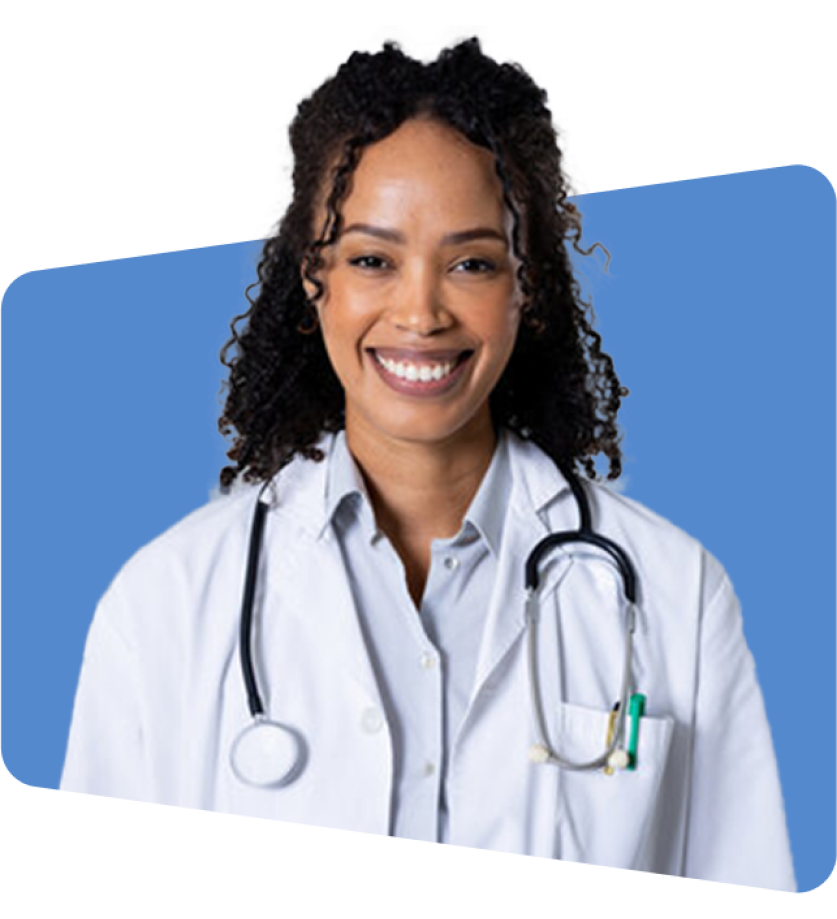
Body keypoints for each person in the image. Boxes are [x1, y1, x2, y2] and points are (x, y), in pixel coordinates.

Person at [59, 36, 796, 890]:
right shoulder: (164, 604)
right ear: (314, 276)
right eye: (373, 259)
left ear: (527, 286)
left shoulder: (675, 596)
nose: (420, 311)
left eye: (472, 263)